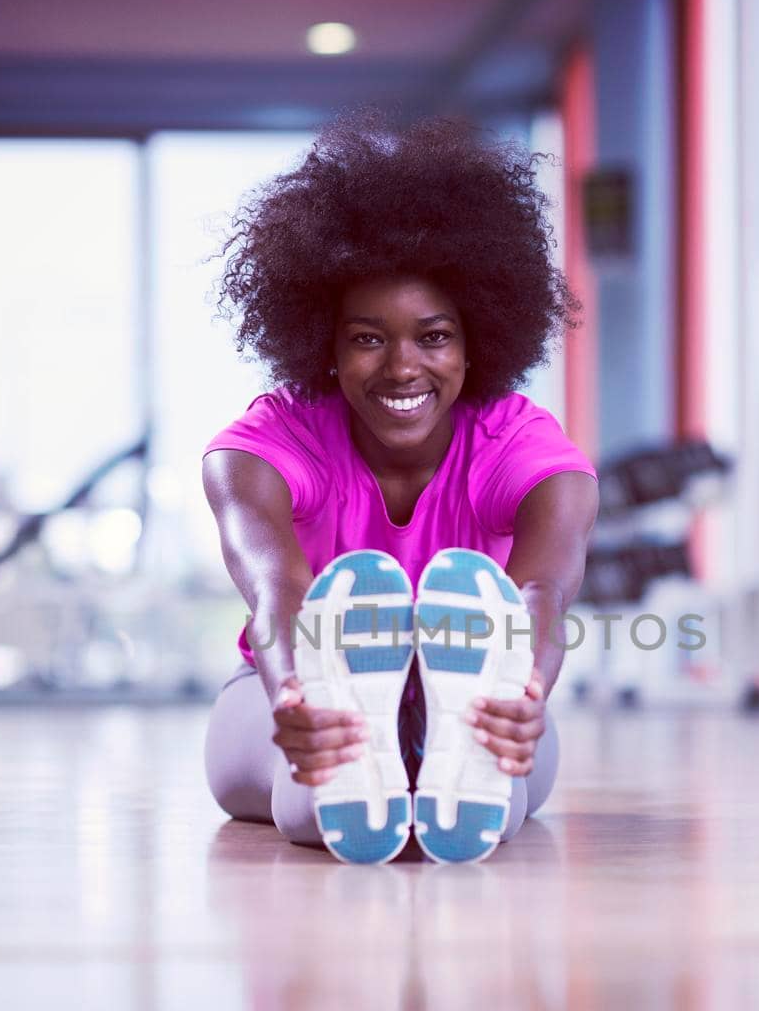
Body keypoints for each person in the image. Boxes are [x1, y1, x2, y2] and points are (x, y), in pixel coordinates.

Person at [201, 108, 599, 863]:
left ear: (477, 340)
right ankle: (346, 739)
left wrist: (526, 692)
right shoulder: (263, 448)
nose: (402, 366)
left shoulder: (521, 446)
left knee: (499, 799)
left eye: (435, 335)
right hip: (285, 689)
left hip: (485, 696)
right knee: (309, 794)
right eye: (367, 338)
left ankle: (455, 744)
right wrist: (294, 692)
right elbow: (276, 590)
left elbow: (542, 593)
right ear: (324, 343)